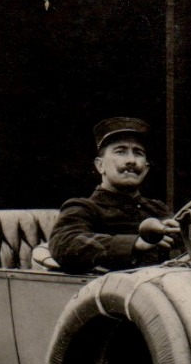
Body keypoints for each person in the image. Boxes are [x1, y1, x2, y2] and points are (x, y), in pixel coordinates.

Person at [48, 117, 181, 273]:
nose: (131, 160)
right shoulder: (83, 208)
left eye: (138, 153)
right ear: (100, 165)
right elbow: (65, 244)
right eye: (120, 152)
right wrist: (136, 243)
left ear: (146, 168)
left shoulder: (157, 209)